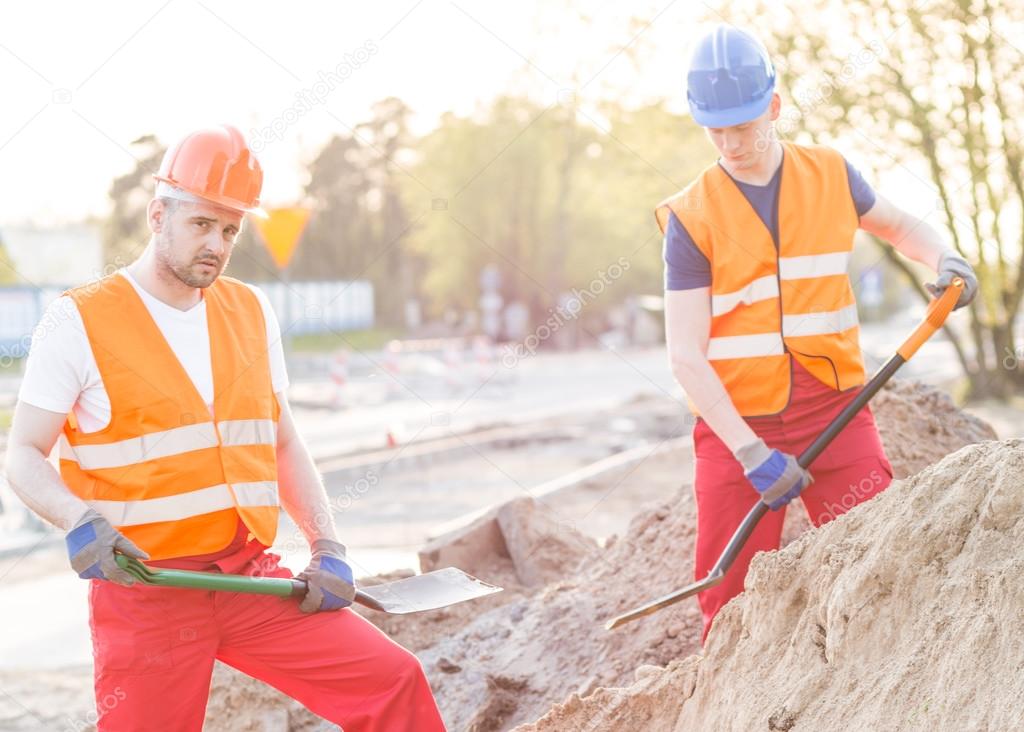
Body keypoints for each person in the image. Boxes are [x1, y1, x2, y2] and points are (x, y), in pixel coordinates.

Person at [3, 124, 446, 731]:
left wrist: (328, 546)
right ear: (159, 214)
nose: (217, 243)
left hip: (250, 579)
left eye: (231, 229)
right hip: (147, 591)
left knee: (394, 682)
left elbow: (283, 439)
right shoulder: (77, 321)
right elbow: (23, 453)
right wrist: (79, 521)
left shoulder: (250, 311)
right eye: (202, 224)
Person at [658, 26, 977, 643]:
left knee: (882, 557)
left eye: (744, 125)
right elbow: (684, 356)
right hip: (734, 429)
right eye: (715, 130)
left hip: (836, 405)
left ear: (774, 107)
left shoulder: (829, 174)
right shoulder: (692, 217)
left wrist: (944, 257)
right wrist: (750, 452)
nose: (730, 143)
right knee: (727, 605)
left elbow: (901, 226)